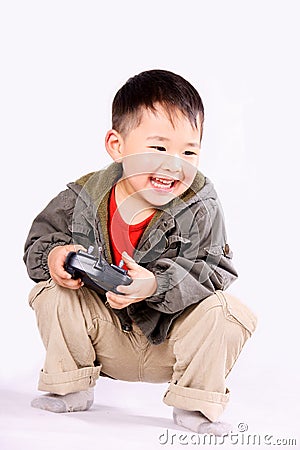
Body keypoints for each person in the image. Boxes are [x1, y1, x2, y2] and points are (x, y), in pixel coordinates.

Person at [23, 69, 257, 436]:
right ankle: (71, 386)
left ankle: (194, 402)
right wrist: (58, 256)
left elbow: (216, 271)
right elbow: (38, 242)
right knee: (50, 292)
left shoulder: (201, 203)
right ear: (117, 146)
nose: (174, 164)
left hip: (171, 340)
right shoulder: (82, 196)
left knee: (228, 312)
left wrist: (156, 284)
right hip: (105, 339)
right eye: (159, 148)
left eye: (189, 151)